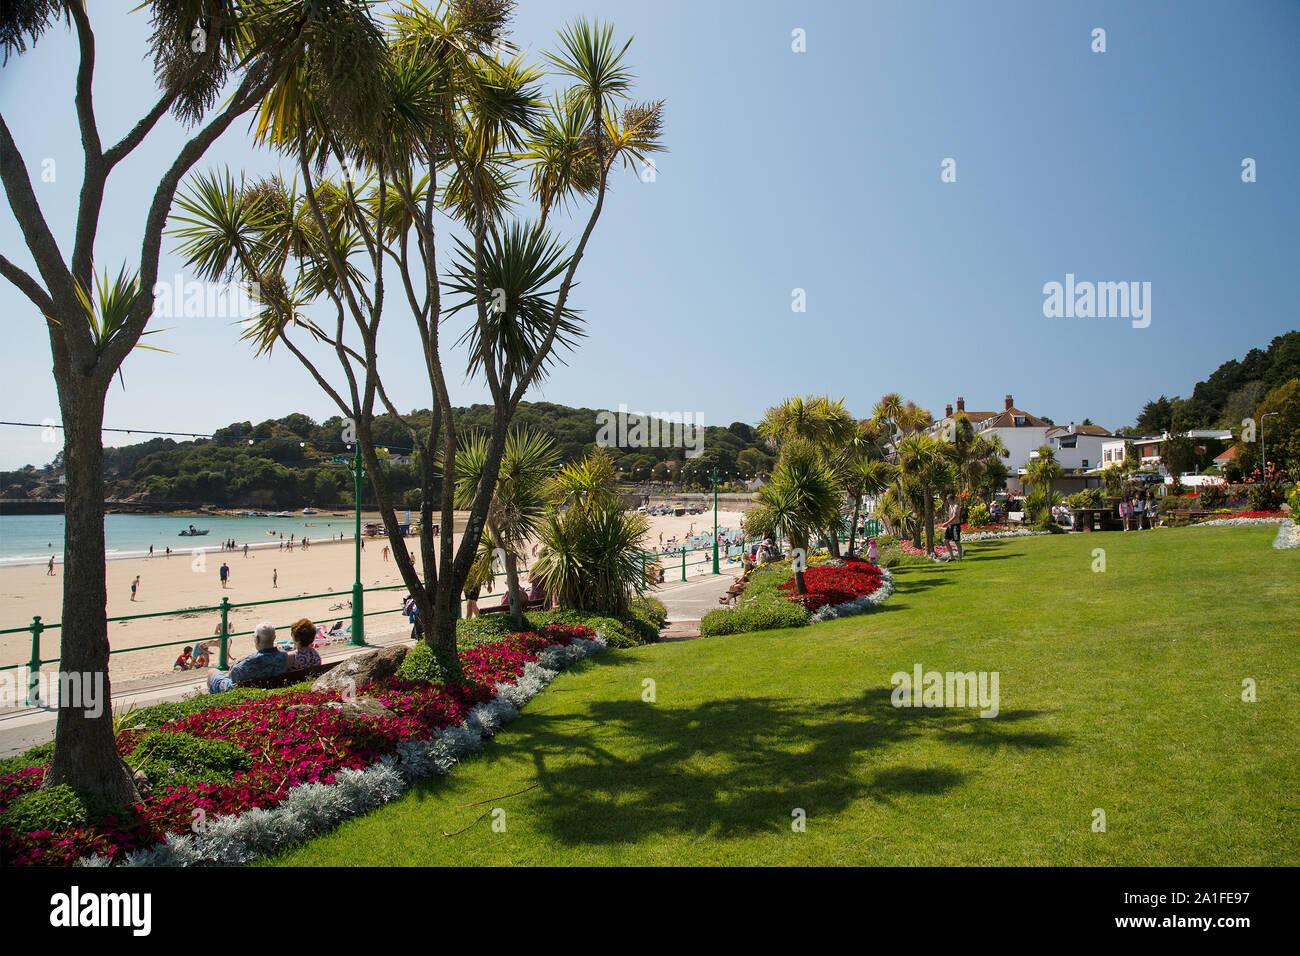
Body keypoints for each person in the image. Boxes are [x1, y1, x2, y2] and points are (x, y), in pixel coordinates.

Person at [207, 622, 287, 694]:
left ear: (257, 639)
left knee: (212, 671)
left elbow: (232, 675)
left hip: (241, 692)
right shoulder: (284, 655)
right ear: (274, 637)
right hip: (271, 687)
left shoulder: (249, 663)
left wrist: (237, 663)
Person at [942, 493, 964, 562]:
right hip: (950, 526)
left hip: (955, 526)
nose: (947, 501)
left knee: (957, 542)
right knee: (945, 541)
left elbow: (954, 516)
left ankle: (960, 558)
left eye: (948, 500)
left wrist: (946, 523)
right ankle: (952, 557)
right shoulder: (950, 506)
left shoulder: (955, 506)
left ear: (951, 499)